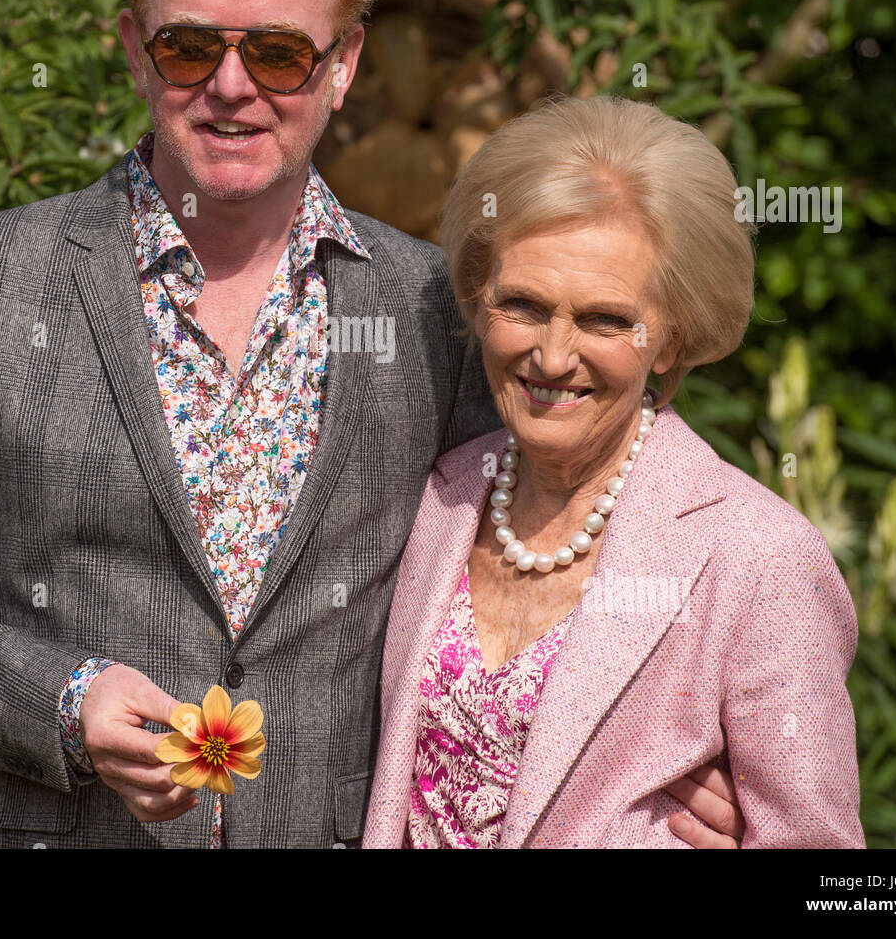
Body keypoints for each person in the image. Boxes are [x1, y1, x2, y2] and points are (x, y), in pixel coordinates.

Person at [0, 0, 743, 848]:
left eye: (277, 55)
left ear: (342, 65)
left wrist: (655, 761)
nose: (230, 87)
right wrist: (63, 698)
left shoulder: (436, 307)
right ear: (134, 50)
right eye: (187, 48)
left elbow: (546, 558)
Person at [363, 95, 866, 848]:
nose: (555, 355)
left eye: (603, 319)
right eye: (523, 305)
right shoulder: (440, 495)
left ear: (669, 339)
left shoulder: (760, 560)